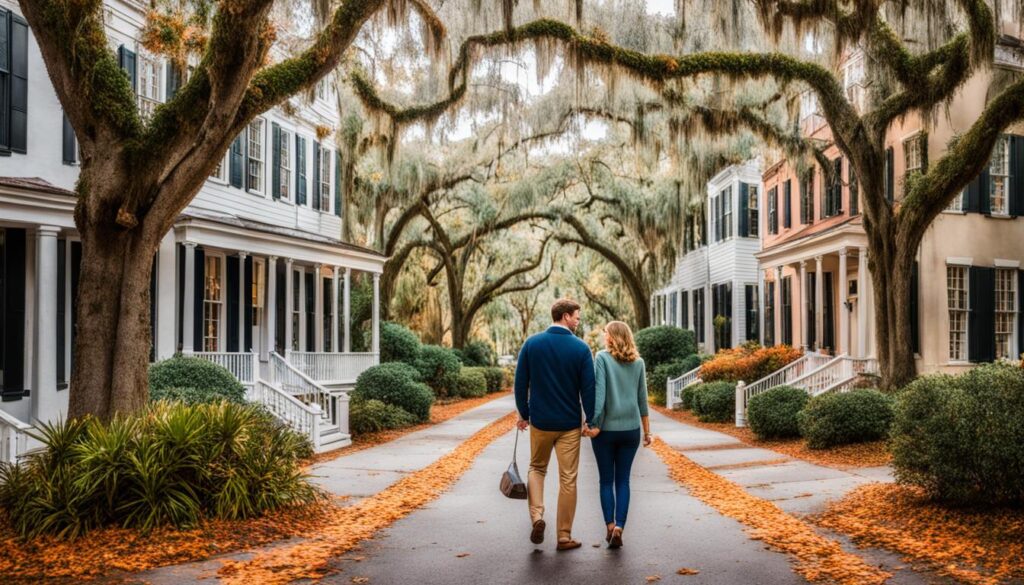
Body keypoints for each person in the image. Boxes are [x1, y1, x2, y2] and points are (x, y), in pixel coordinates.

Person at [514, 298, 596, 551]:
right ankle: (563, 535)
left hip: (540, 421)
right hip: (569, 424)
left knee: (537, 468)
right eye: (576, 317)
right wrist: (590, 419)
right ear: (565, 317)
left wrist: (525, 414)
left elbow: (520, 383)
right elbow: (588, 389)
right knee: (568, 478)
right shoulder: (581, 349)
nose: (578, 322)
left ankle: (537, 517)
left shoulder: (532, 344)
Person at [583, 321, 651, 549]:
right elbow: (643, 400)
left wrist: (594, 424)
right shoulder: (639, 363)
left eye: (606, 334)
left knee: (606, 480)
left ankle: (610, 526)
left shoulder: (602, 358)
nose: (604, 338)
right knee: (623, 480)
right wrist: (647, 432)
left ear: (612, 337)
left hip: (606, 432)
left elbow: (599, 396)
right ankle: (621, 526)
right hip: (631, 431)